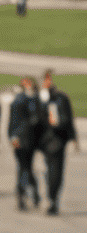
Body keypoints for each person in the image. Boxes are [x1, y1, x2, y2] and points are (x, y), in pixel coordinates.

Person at [39, 69, 80, 216]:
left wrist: (74, 137)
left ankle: (52, 198)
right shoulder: (41, 98)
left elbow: (67, 119)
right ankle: (50, 197)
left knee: (55, 171)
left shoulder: (60, 99)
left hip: (57, 141)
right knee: (50, 171)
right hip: (45, 141)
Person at [10, 76, 44, 210]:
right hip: (22, 139)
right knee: (24, 167)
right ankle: (24, 194)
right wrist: (13, 136)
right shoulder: (22, 100)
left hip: (30, 139)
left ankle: (29, 193)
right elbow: (14, 121)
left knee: (26, 167)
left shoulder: (34, 100)